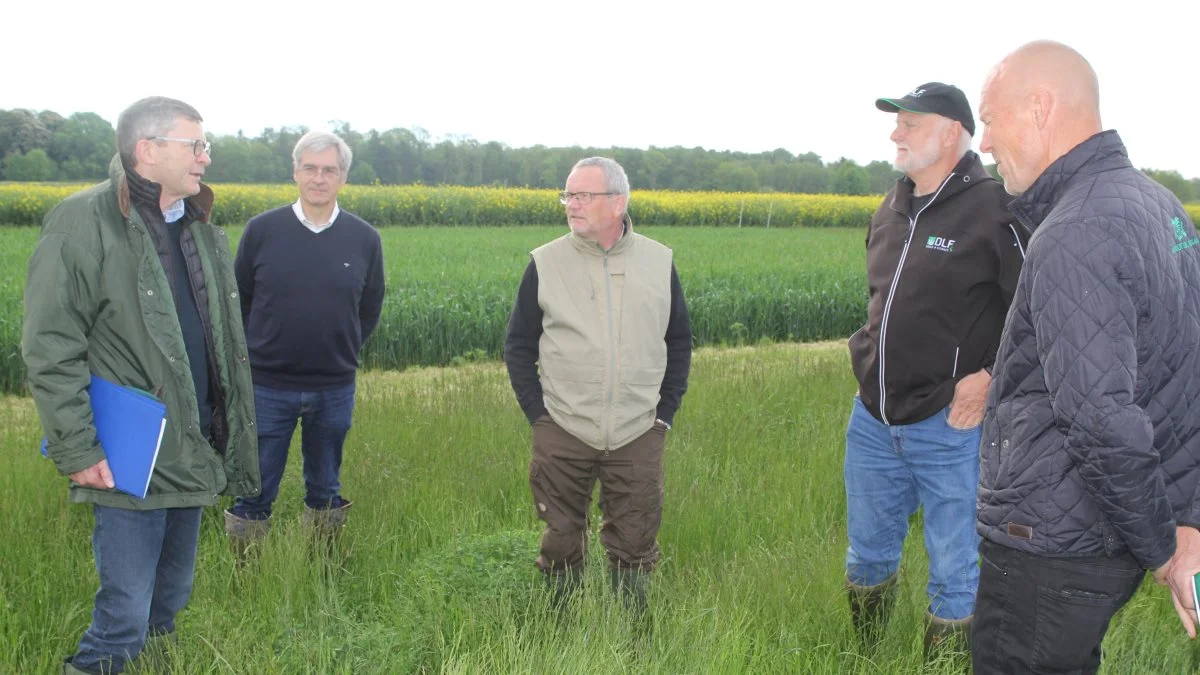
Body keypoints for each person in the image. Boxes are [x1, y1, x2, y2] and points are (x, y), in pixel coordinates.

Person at [973, 40, 1200, 675]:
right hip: (1095, 540)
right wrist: (1186, 520)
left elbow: (1101, 419)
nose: (985, 144)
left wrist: (1163, 545)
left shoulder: (1077, 231)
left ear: (1039, 108)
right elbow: (1188, 376)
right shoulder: (1157, 205)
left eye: (991, 119)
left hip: (1052, 550)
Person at [23, 96, 260, 674]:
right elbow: (50, 345)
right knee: (123, 617)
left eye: (206, 146)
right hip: (129, 456)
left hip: (194, 445)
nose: (206, 158)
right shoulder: (84, 221)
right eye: (195, 145)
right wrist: (79, 449)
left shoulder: (199, 226)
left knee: (167, 608)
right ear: (147, 150)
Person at [844, 82, 1025, 658]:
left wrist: (992, 375)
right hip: (872, 420)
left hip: (950, 426)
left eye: (910, 124)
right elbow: (883, 301)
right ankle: (865, 659)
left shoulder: (997, 210)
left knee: (954, 570)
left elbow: (1038, 309)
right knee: (866, 554)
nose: (896, 133)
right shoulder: (892, 204)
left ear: (952, 133)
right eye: (898, 124)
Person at [503, 156, 692, 614]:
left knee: (635, 540)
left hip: (638, 428)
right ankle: (560, 627)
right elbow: (518, 344)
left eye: (584, 195)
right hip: (563, 427)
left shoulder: (658, 261)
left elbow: (679, 340)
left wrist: (663, 413)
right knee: (560, 538)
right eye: (568, 194)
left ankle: (632, 634)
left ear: (618, 202)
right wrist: (539, 416)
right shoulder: (545, 263)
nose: (572, 204)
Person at [224, 130, 385, 553]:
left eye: (329, 170)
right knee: (254, 489)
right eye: (310, 168)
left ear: (343, 178)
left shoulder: (365, 239)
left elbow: (368, 309)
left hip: (334, 387)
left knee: (326, 487)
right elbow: (239, 301)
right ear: (295, 172)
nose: (319, 178)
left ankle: (322, 566)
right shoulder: (262, 230)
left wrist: (341, 350)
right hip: (266, 387)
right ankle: (247, 574)